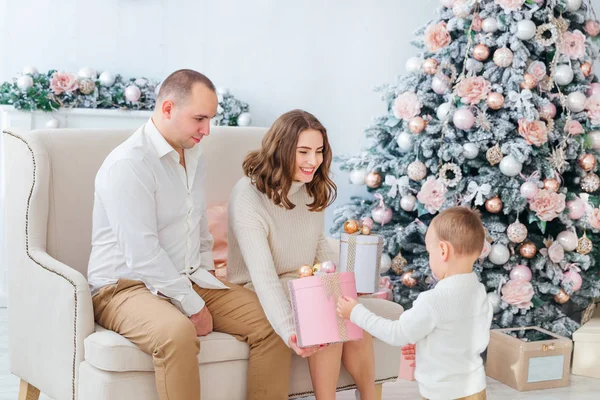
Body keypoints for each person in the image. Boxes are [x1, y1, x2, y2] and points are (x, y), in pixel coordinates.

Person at [87, 69, 290, 400]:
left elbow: (196, 224)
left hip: (187, 276)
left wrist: (206, 274)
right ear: (167, 109)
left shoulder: (193, 154)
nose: (206, 130)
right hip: (124, 286)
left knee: (273, 319)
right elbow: (142, 253)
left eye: (210, 119)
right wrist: (193, 305)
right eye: (199, 119)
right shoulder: (128, 165)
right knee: (177, 333)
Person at [227, 109, 384, 400]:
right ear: (281, 149)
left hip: (302, 280)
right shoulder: (248, 196)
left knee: (351, 311)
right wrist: (289, 329)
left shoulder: (311, 189)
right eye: (303, 152)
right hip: (254, 288)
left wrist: (343, 285)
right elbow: (262, 276)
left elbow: (318, 247)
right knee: (329, 312)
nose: (314, 161)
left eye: (319, 151)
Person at [338, 207, 493, 400]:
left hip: (442, 394)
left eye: (429, 252)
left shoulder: (433, 301)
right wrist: (426, 346)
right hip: (475, 389)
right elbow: (462, 338)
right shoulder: (478, 291)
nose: (430, 258)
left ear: (443, 250)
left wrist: (355, 312)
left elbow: (396, 334)